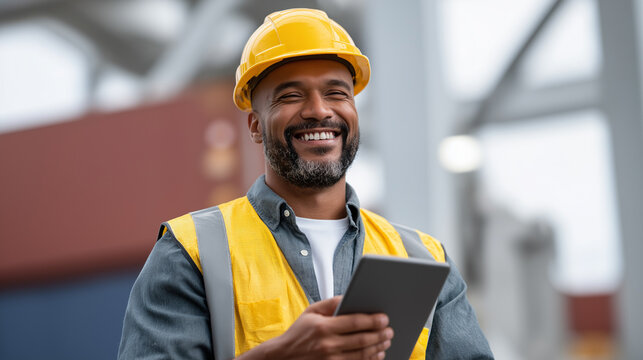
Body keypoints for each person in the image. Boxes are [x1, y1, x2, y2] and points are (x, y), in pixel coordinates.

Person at [118, 8, 493, 360]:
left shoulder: (423, 259)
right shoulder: (190, 252)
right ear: (254, 126)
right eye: (291, 96)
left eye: (336, 93)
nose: (319, 110)